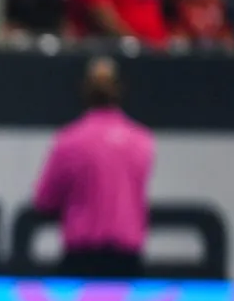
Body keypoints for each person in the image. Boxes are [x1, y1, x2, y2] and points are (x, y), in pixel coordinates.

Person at [33, 57, 155, 280]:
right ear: (119, 90)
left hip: (85, 259)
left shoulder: (70, 141)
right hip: (122, 260)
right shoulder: (141, 140)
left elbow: (44, 200)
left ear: (85, 89)